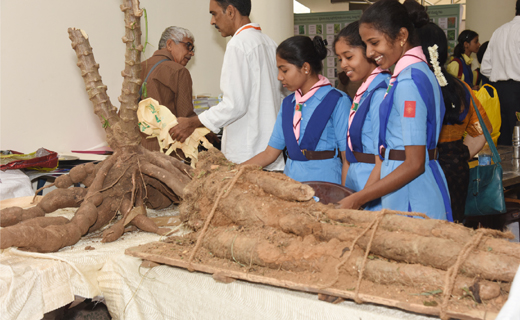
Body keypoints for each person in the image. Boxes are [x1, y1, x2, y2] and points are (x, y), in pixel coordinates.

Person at [338, 0, 451, 221]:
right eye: (366, 45)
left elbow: (414, 163)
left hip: (412, 194)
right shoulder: (415, 72)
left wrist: (357, 199)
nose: (370, 52)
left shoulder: (408, 81)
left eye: (374, 42)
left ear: (401, 36)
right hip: (407, 189)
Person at [170, 0, 284, 170]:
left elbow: (234, 105)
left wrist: (192, 122)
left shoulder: (238, 44)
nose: (212, 22)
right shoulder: (270, 44)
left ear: (230, 11)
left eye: (214, 14)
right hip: (271, 156)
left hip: (248, 157)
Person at [411, 14, 493, 222]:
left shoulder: (412, 86)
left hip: (420, 166)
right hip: (456, 167)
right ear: (445, 53)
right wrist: (461, 153)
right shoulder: (462, 88)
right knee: (455, 223)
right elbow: (483, 128)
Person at [243, 36, 350, 184]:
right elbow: (269, 154)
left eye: (284, 70)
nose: (279, 77)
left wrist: (345, 195)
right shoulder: (288, 104)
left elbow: (347, 157)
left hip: (327, 185)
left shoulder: (337, 100)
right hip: (292, 186)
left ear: (305, 68)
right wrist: (234, 171)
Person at [334, 21, 390, 210]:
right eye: (340, 59)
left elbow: (381, 161)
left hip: (371, 189)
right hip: (358, 185)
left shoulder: (381, 92)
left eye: (348, 56)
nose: (343, 64)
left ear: (368, 51)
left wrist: (360, 201)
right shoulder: (365, 91)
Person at [139, 26, 197, 153]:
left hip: (136, 150)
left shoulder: (139, 67)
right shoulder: (179, 71)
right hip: (166, 152)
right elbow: (185, 120)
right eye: (188, 46)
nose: (191, 53)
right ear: (169, 44)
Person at [481, 0, 520, 146]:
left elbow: (485, 67)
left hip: (498, 93)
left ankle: (503, 169)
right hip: (517, 91)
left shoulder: (499, 31)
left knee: (502, 139)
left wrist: (501, 74)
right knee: (518, 139)